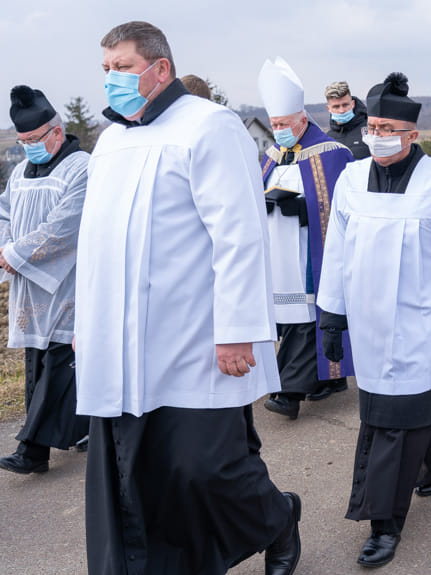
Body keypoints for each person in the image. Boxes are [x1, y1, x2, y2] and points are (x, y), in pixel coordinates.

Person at [74, 21, 300, 575]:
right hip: (122, 346)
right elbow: (95, 243)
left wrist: (237, 329)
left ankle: (278, 517)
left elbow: (239, 234)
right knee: (136, 473)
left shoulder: (209, 126)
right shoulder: (111, 141)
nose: (112, 80)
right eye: (105, 70)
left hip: (194, 339)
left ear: (160, 69)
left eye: (123, 68)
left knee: (202, 469)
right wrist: (86, 322)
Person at [317, 72, 431, 568]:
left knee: (391, 422)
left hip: (420, 326)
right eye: (372, 126)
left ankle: (383, 523)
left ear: (413, 134)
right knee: (406, 406)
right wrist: (331, 317)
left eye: (389, 127)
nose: (378, 135)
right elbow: (337, 252)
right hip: (370, 326)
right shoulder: (351, 179)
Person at [0, 85, 90, 475]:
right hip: (29, 285)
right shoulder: (19, 171)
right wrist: (2, 251)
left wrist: (16, 255)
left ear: (56, 132)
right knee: (38, 363)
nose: (27, 147)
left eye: (33, 139)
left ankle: (32, 451)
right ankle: (83, 428)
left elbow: (64, 227)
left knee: (61, 362)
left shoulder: (81, 167)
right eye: (22, 141)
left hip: (67, 281)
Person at [258, 57, 355, 420]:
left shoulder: (331, 153)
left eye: (283, 123)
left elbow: (337, 206)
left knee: (306, 317)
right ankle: (325, 377)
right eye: (274, 124)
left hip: (306, 256)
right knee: (290, 320)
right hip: (276, 252)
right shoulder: (270, 155)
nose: (278, 129)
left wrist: (304, 212)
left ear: (302, 120)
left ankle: (288, 392)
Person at [325, 81, 370, 159]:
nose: (341, 110)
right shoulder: (327, 139)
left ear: (353, 104)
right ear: (329, 109)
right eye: (336, 107)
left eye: (345, 105)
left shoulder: (371, 129)